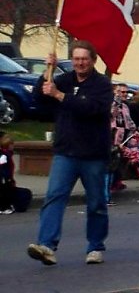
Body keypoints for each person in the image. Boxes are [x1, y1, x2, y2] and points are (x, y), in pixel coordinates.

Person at [27, 41, 114, 266]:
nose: (80, 63)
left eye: (84, 59)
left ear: (93, 60)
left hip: (93, 154)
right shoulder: (64, 80)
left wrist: (60, 96)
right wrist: (47, 71)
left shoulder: (102, 85)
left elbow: (91, 109)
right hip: (66, 151)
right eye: (76, 59)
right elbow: (39, 97)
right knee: (54, 196)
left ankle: (95, 246)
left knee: (96, 202)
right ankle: (46, 244)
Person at [0, 131, 31, 214]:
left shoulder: (6, 154)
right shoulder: (4, 155)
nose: (13, 146)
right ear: (8, 145)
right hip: (5, 182)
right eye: (12, 144)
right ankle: (4, 207)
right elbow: (3, 169)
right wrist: (8, 180)